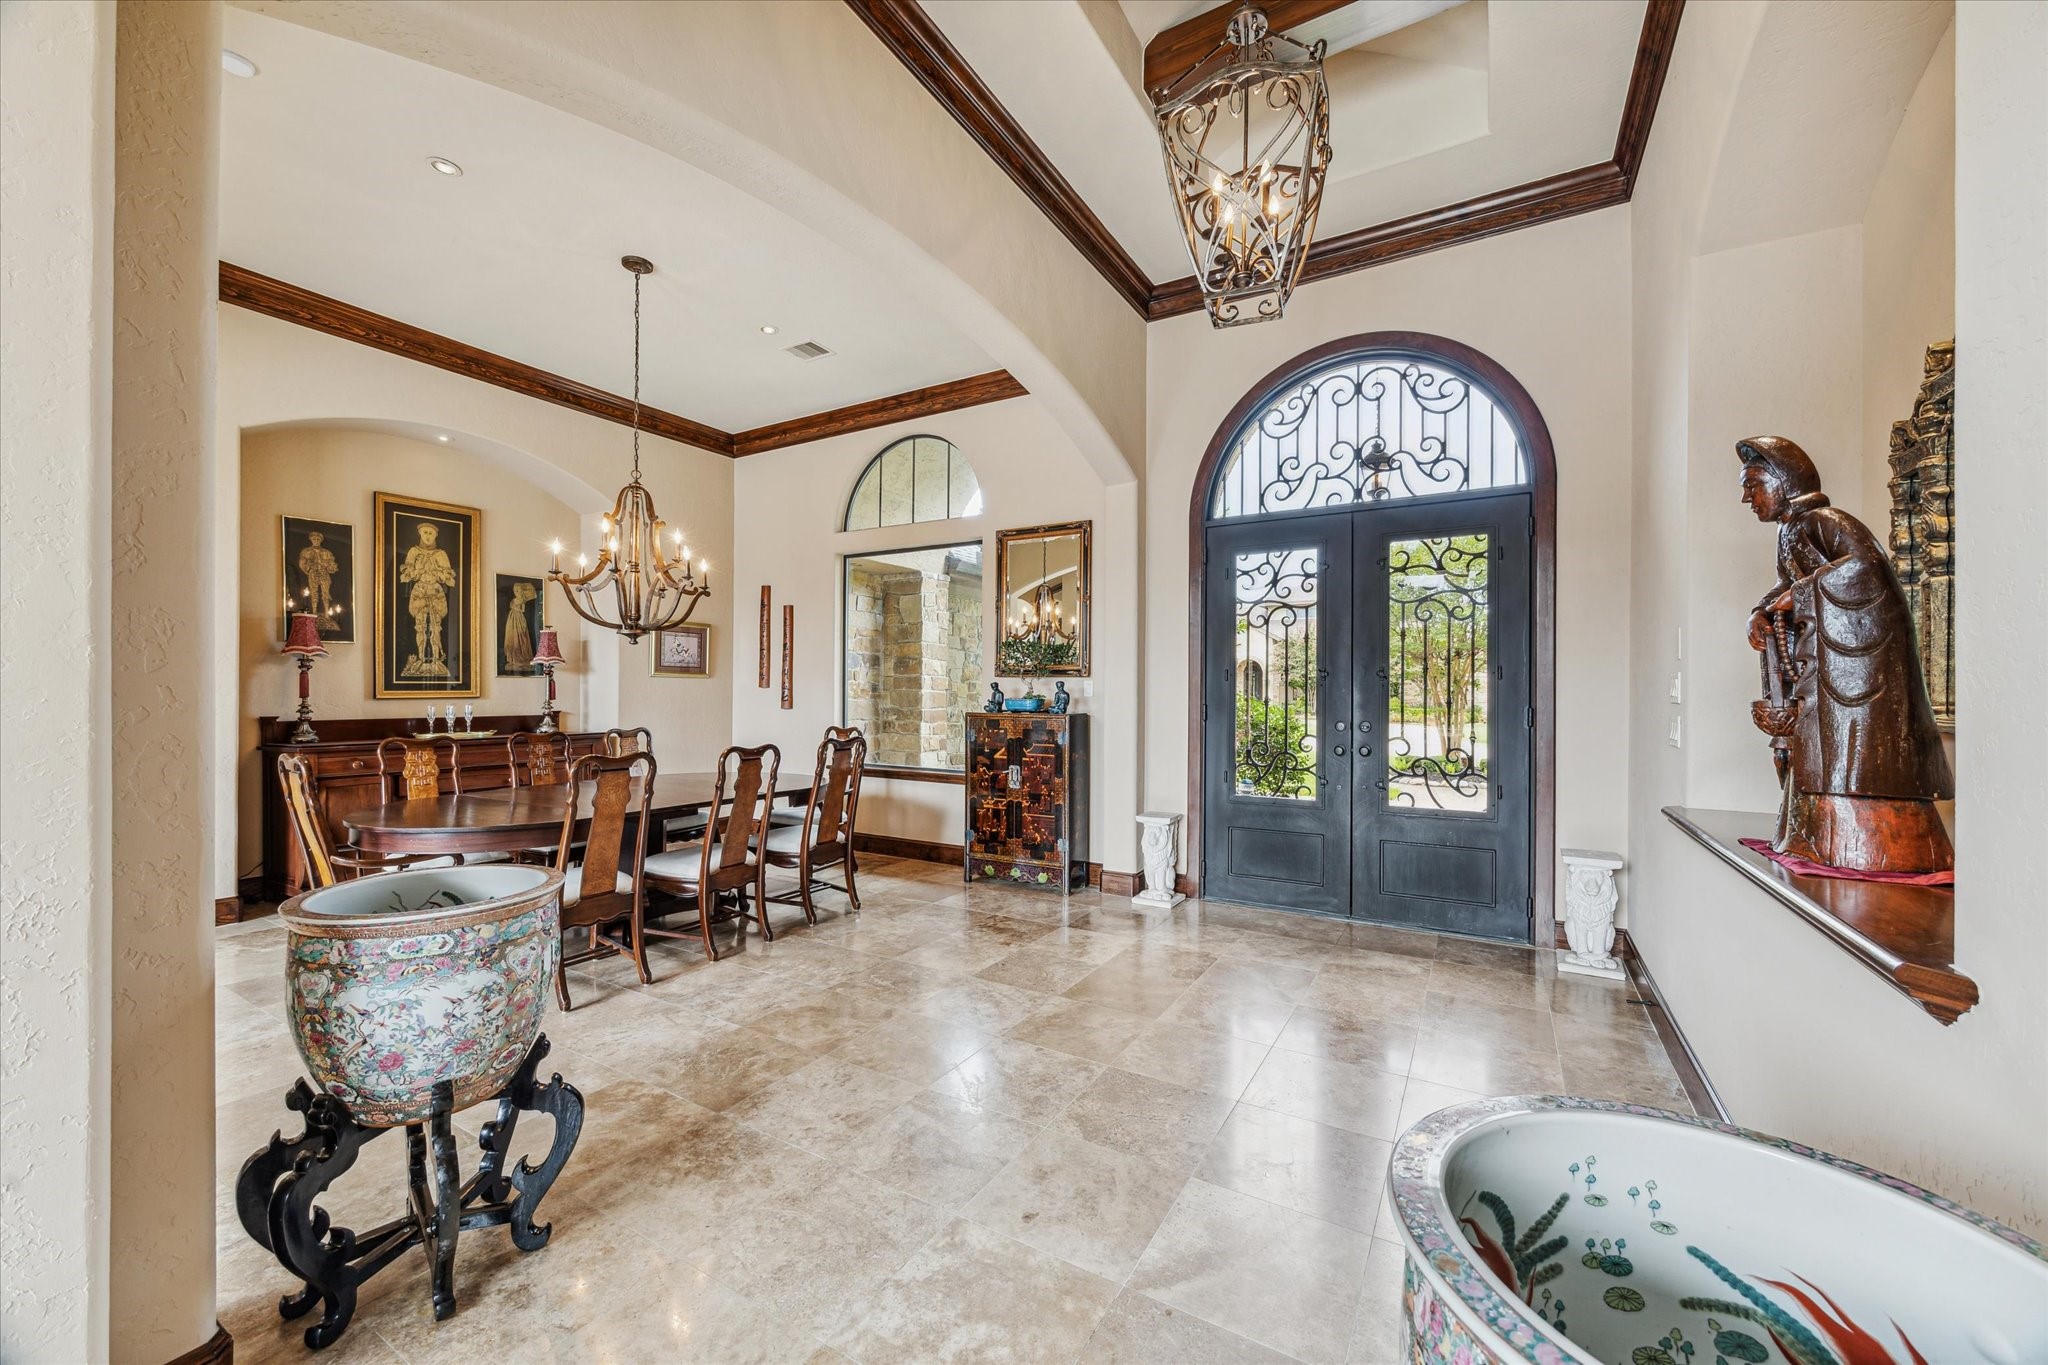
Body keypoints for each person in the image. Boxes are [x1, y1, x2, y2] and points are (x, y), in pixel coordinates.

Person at [1738, 436, 1952, 871]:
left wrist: (1800, 594)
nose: (1748, 498)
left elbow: (1866, 567)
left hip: (1862, 667)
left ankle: (1864, 843)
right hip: (1826, 667)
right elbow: (1787, 584)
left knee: (1856, 752)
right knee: (1821, 749)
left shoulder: (1826, 520)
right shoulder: (1789, 531)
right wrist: (1760, 611)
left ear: (1783, 481)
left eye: (1753, 485)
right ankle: (1813, 836)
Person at [400, 522, 456, 677]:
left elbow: (449, 577)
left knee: (435, 627)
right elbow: (406, 574)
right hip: (420, 591)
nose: (428, 536)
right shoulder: (414, 552)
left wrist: (437, 574)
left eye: (431, 533)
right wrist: (418, 572)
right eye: (425, 532)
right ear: (420, 534)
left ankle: (436, 660)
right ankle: (422, 659)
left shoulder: (441, 554)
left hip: (435, 592)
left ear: (436, 535)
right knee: (421, 626)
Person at [297, 531, 339, 633]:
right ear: (311, 540)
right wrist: (309, 569)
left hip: (324, 574)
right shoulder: (306, 551)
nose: (316, 541)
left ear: (321, 540)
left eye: (318, 539)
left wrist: (328, 566)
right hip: (313, 574)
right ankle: (314, 613)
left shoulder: (327, 552)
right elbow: (302, 564)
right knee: (314, 593)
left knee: (325, 594)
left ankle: (326, 614)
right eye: (314, 539)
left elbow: (333, 566)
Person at [503, 581, 536, 672]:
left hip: (519, 618)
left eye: (517, 590)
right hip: (512, 618)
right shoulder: (513, 600)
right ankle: (513, 658)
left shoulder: (522, 600)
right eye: (515, 591)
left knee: (521, 637)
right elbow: (514, 607)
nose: (516, 592)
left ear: (520, 591)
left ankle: (522, 657)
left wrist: (516, 607)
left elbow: (522, 610)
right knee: (512, 636)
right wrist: (515, 607)